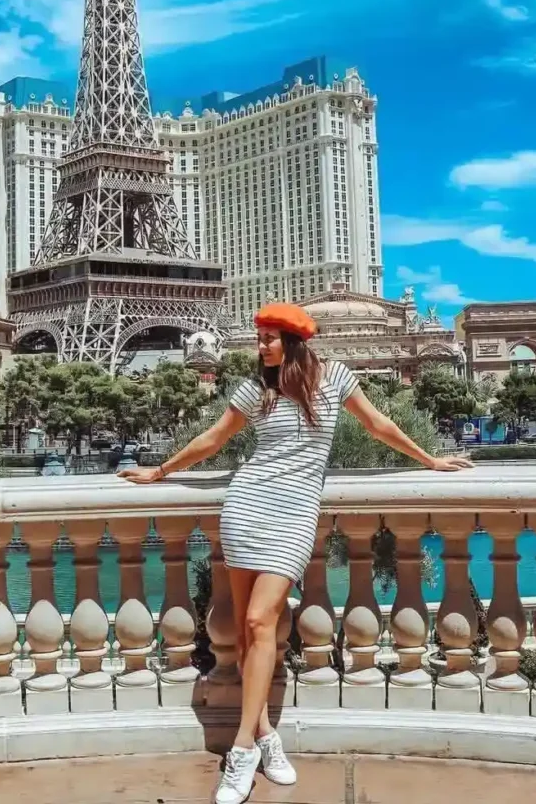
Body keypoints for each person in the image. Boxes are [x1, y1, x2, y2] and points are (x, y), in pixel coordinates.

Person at [119, 302, 472, 804]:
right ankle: (263, 734)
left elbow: (378, 426)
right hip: (247, 505)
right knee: (245, 628)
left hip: (293, 515)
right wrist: (158, 472)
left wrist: (430, 459)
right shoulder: (256, 389)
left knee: (263, 622)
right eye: (259, 336)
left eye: (270, 337)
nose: (261, 345)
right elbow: (214, 439)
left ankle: (241, 751)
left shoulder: (335, 379)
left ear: (294, 340)